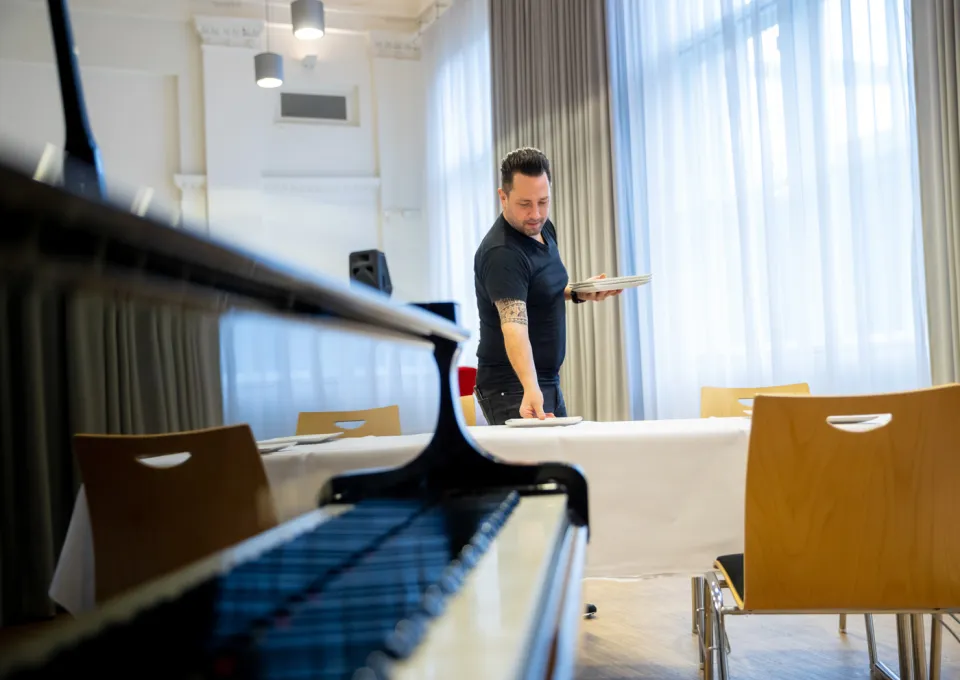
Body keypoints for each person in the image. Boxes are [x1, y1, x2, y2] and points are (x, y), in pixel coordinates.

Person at [473, 147, 621, 425]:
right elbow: (513, 323)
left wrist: (577, 291)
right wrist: (530, 387)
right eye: (525, 203)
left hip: (544, 377)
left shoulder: (543, 229)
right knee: (533, 468)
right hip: (511, 384)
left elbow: (535, 291)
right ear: (502, 197)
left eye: (543, 201)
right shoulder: (502, 252)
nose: (536, 213)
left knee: (557, 462)